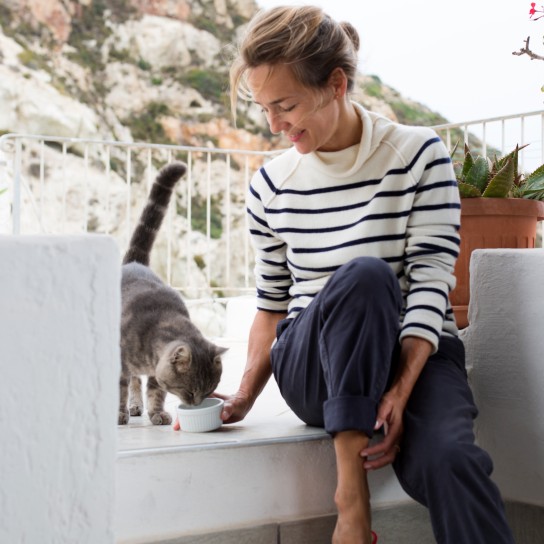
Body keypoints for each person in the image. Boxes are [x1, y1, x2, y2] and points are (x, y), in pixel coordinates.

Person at [219, 5, 515, 544]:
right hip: (316, 366)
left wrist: (400, 392)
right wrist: (243, 395)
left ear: (336, 83)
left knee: (453, 461)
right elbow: (272, 303)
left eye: (285, 105)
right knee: (365, 277)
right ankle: (350, 500)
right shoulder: (271, 184)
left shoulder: (417, 154)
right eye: (265, 109)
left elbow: (430, 281)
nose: (275, 125)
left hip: (414, 354)